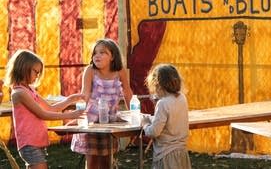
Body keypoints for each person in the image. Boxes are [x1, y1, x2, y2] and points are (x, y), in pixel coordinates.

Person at [3, 49, 84, 169]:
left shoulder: (30, 90)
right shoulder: (19, 93)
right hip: (29, 143)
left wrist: (69, 100)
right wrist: (71, 115)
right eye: (36, 72)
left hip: (36, 142)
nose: (37, 76)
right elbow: (43, 114)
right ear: (24, 68)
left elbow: (51, 108)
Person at [71, 38, 133, 169]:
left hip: (110, 122)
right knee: (92, 162)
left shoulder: (120, 71)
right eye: (95, 53)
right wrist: (78, 117)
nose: (97, 55)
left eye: (102, 52)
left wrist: (134, 115)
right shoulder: (90, 71)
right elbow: (84, 96)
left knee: (106, 162)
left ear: (112, 57)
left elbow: (127, 93)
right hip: (92, 123)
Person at [142, 64, 191, 169]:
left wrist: (145, 124)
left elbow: (154, 132)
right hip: (181, 152)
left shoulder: (163, 103)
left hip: (166, 154)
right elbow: (170, 120)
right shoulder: (182, 98)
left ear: (158, 85)